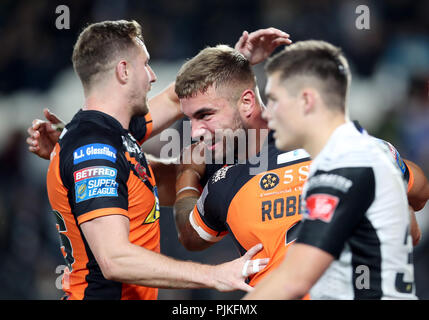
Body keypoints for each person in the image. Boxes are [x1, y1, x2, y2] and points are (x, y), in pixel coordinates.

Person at [27, 34, 428, 294]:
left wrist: (187, 173)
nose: (196, 132)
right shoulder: (347, 147)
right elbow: (416, 197)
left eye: (205, 116)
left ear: (250, 103)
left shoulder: (335, 149)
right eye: (191, 120)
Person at [42, 19, 272, 300]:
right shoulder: (93, 150)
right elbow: (115, 259)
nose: (152, 76)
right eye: (145, 64)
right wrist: (216, 275)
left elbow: (178, 100)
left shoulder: (115, 135)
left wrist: (234, 64)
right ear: (123, 71)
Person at [244, 40, 420, 299]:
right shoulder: (369, 150)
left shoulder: (341, 167)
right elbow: (411, 231)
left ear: (306, 100)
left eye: (274, 100)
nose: (268, 115)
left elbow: (292, 280)